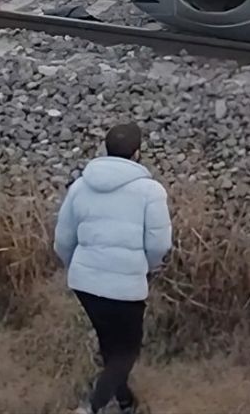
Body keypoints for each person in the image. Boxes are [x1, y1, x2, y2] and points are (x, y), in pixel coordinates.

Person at [53, 122, 172, 414]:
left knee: (110, 345)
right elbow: (159, 244)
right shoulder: (150, 191)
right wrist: (147, 268)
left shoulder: (80, 186)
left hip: (84, 284)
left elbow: (62, 240)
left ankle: (125, 402)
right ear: (137, 153)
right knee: (126, 353)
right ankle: (90, 408)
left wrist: (78, 268)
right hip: (126, 287)